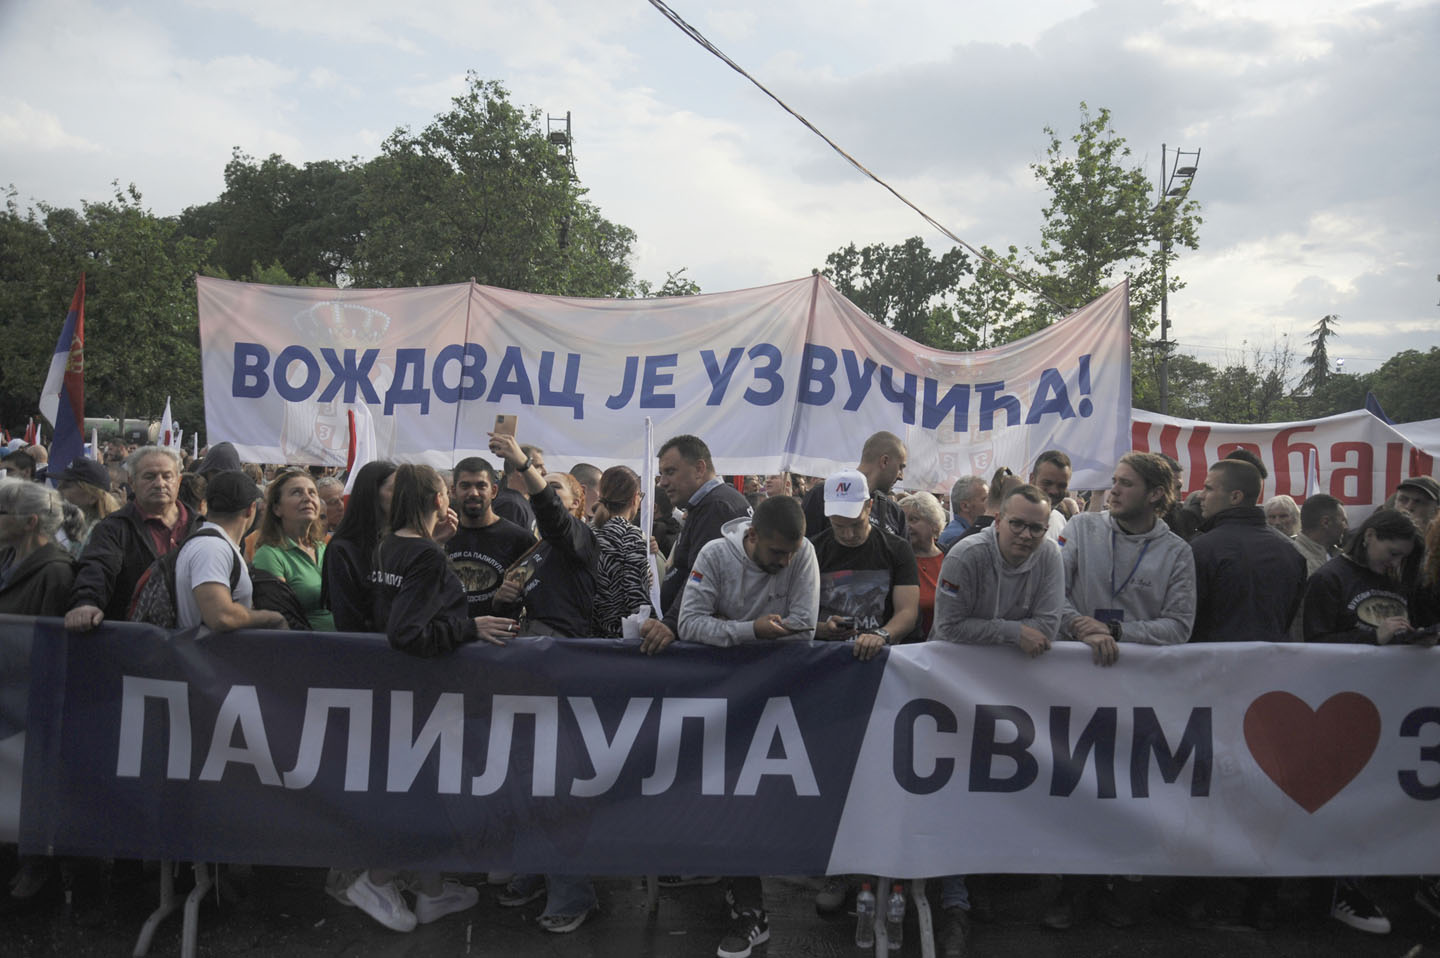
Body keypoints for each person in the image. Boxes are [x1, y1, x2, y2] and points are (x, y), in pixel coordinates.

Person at [351, 463, 513, 932]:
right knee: (424, 793)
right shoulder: (424, 555)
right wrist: (470, 626)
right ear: (438, 499)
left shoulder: (393, 544)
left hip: (403, 689)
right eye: (446, 492)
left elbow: (404, 605)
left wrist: (436, 547)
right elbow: (408, 631)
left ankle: (432, 891)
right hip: (426, 689)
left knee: (427, 791)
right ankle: (377, 878)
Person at [677, 494, 819, 958]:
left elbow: (804, 627)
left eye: (790, 554)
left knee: (753, 798)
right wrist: (750, 631)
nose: (784, 562)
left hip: (777, 698)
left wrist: (731, 630)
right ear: (752, 536)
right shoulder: (716, 554)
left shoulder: (803, 554)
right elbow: (689, 623)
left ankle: (749, 904)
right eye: (777, 553)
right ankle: (743, 897)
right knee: (722, 795)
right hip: (718, 696)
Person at [930, 483, 1064, 956]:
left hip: (1014, 693)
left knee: (1001, 786)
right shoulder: (965, 556)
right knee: (952, 787)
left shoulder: (1049, 556)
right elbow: (947, 629)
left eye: (1037, 527)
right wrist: (1012, 631)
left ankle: (982, 878)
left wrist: (1011, 635)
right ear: (998, 519)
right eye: (1019, 524)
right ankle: (953, 896)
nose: (1027, 535)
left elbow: (1048, 627)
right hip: (952, 688)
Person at [486, 434, 600, 933]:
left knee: (556, 786)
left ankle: (574, 892)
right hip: (527, 670)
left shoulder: (577, 540)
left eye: (555, 491)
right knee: (524, 782)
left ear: (576, 504)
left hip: (564, 672)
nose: (544, 496)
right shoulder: (535, 553)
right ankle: (535, 870)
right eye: (540, 488)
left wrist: (524, 467)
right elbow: (510, 615)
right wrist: (507, 599)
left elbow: (551, 516)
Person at [1301, 507, 1432, 936]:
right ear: (1370, 536)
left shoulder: (1397, 578)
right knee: (1339, 805)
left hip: (1388, 710)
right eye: (1390, 553)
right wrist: (1371, 638)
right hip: (1338, 710)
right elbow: (1315, 645)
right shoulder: (1330, 578)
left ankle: (1354, 884)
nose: (1394, 564)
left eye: (1401, 558)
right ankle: (1332, 892)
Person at [1058, 452, 1196, 663]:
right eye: (1114, 482)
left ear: (1155, 494)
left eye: (1126, 483)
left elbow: (1178, 627)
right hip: (1076, 662)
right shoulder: (1081, 527)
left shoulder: (1177, 551)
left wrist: (1115, 630)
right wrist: (1081, 628)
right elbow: (1052, 594)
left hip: (1138, 675)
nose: (1113, 491)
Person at [65, 445, 201, 631]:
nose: (160, 483)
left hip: (194, 645)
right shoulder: (113, 528)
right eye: (149, 476)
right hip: (135, 641)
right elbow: (97, 567)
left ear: (178, 480)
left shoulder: (202, 527)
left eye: (167, 476)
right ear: (132, 482)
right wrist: (87, 602)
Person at [640, 434, 751, 655]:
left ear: (700, 468)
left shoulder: (717, 506)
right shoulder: (707, 504)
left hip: (705, 650)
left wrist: (671, 623)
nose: (662, 482)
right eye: (661, 474)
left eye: (670, 472)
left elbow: (702, 576)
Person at [1190, 460, 1307, 643]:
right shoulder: (1290, 550)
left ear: (1235, 497)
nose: (1200, 496)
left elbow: (1189, 617)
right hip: (1273, 662)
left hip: (1215, 664)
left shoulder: (1202, 549)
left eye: (1209, 489)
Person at [811, 469, 920, 655]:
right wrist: (821, 629)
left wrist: (882, 634)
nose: (848, 534)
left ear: (869, 506)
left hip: (879, 658)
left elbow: (908, 612)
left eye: (856, 524)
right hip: (824, 657)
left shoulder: (897, 549)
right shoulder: (812, 550)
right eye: (838, 526)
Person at [173, 472, 287, 633]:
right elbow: (221, 616)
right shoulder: (212, 548)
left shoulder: (214, 544)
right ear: (250, 509)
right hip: (205, 655)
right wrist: (271, 618)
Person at [444, 457, 535, 618]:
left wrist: (504, 602)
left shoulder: (520, 540)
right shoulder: (442, 536)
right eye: (465, 486)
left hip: (500, 639)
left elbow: (535, 597)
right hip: (450, 637)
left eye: (481, 486)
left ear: (493, 491)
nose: (473, 493)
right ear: (453, 491)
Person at [252, 470, 336, 631]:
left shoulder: (324, 548)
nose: (308, 498)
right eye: (296, 492)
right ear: (277, 509)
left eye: (312, 492)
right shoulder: (269, 555)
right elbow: (281, 616)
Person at [321, 461, 396, 632]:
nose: (403, 496)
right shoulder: (343, 549)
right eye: (394, 489)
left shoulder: (403, 540)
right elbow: (347, 617)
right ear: (372, 494)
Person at [801, 431, 908, 539]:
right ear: (884, 461)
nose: (901, 476)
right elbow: (802, 550)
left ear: (869, 505)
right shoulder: (823, 495)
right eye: (900, 467)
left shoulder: (895, 513)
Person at [590, 465, 653, 638]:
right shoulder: (631, 535)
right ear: (635, 498)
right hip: (619, 638)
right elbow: (636, 596)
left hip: (586, 633)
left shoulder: (588, 531)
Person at [0, 479, 75, 617]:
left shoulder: (56, 574)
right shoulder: (5, 557)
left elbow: (49, 635)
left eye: (1, 511)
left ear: (30, 522)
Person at [899, 492, 946, 640]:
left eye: (913, 519)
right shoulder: (898, 562)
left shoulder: (952, 557)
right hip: (912, 649)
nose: (906, 526)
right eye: (902, 520)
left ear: (934, 524)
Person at [52, 456, 121, 553]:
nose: (58, 490)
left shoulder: (103, 538)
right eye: (59, 484)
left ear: (92, 497)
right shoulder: (61, 523)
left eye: (66, 486)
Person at [492, 443, 544, 532]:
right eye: (538, 466)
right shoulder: (510, 505)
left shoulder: (526, 501)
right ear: (519, 469)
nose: (544, 472)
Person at [1293, 493, 1348, 576]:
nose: (1345, 527)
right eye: (1343, 521)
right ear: (1326, 522)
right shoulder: (1293, 560)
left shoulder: (1341, 557)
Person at [1028, 450, 1072, 540]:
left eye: (1061, 486)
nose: (1054, 491)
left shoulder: (1060, 520)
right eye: (1047, 483)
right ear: (1032, 479)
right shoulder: (1011, 519)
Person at [937, 475, 987, 550]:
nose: (989, 504)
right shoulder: (955, 537)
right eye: (984, 500)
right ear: (965, 506)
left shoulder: (969, 532)